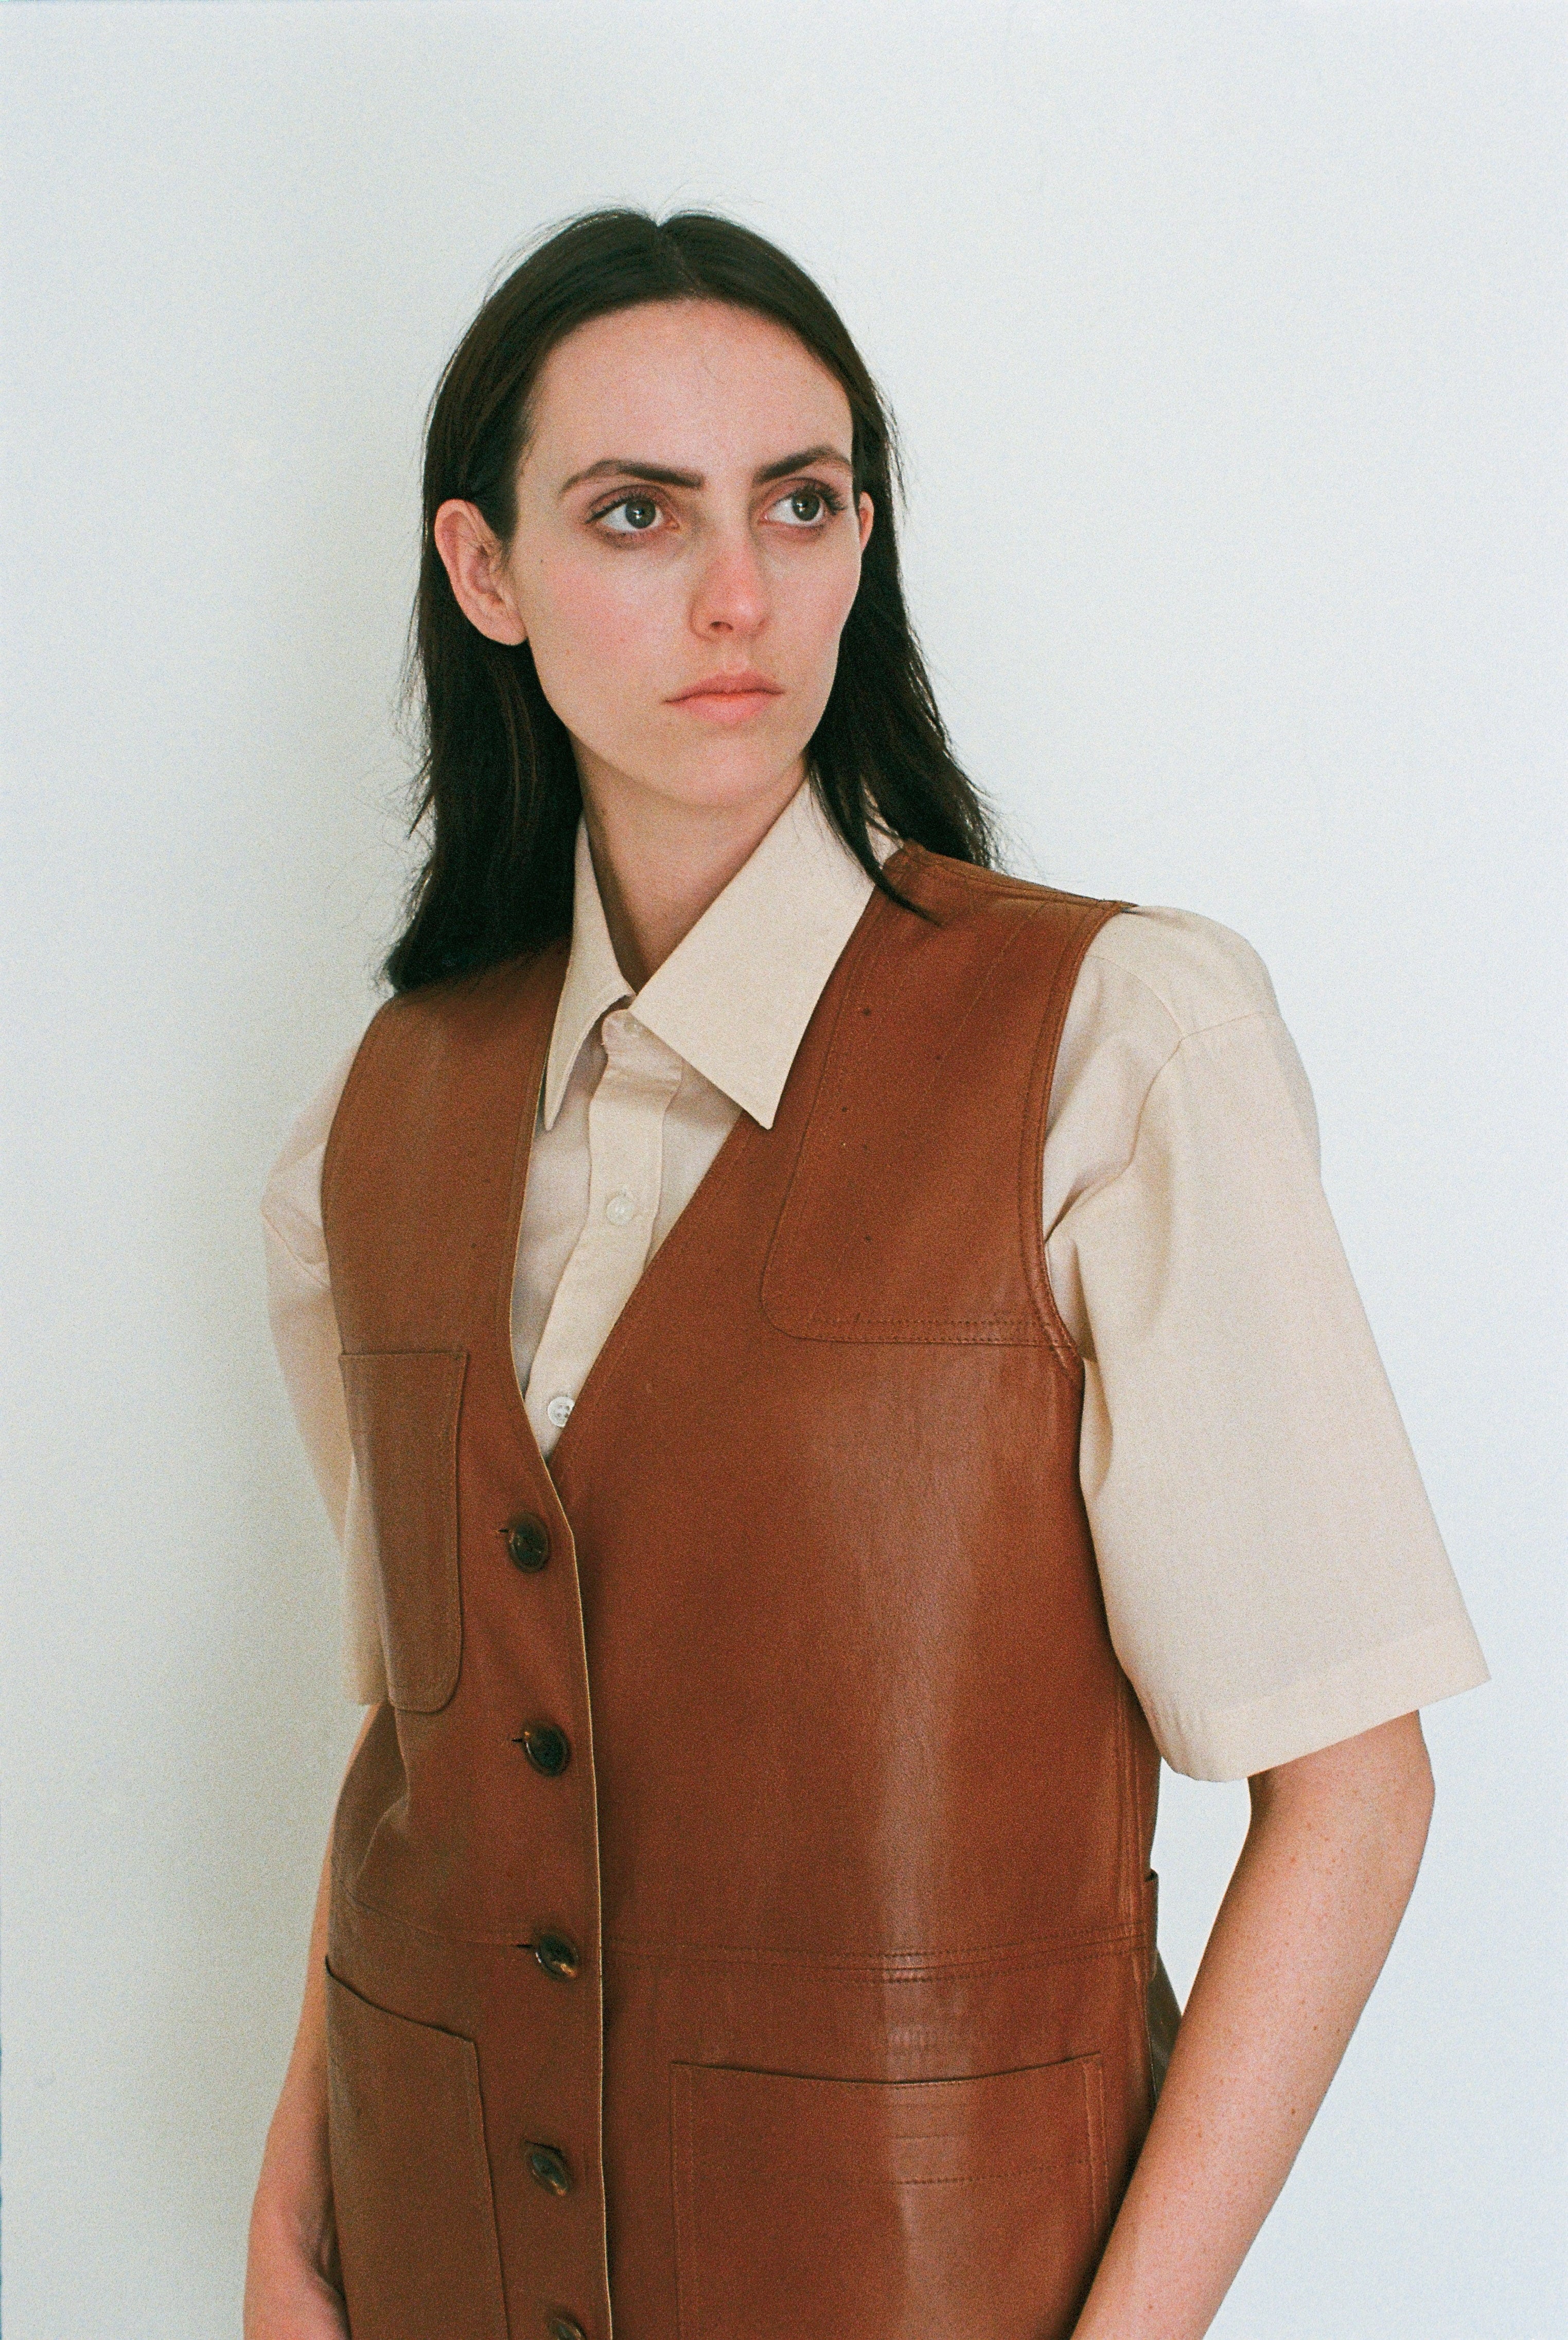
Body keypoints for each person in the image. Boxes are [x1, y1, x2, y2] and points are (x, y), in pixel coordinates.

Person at [245, 208, 1489, 2340]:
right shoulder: (382, 1116)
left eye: (800, 505)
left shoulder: (1112, 1045)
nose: (741, 595)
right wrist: (290, 2251)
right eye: (637, 513)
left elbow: (1354, 1798)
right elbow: (430, 1771)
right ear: (484, 573)